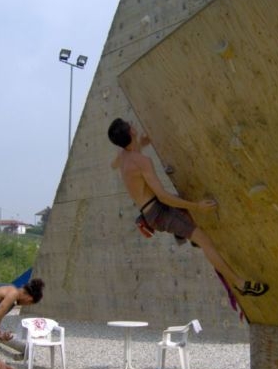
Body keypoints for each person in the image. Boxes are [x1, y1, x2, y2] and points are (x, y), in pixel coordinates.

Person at [108, 118, 269, 297]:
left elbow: (115, 164)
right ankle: (240, 284)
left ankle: (184, 232)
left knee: (182, 202)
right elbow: (163, 196)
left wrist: (139, 145)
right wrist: (197, 207)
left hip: (151, 209)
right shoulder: (142, 162)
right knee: (205, 241)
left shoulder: (123, 156)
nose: (132, 123)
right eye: (129, 124)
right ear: (131, 131)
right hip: (159, 212)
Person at [0, 278, 45, 347]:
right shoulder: (13, 294)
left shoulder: (10, 290)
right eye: (29, 304)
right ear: (29, 299)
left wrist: (0, 334)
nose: (24, 305)